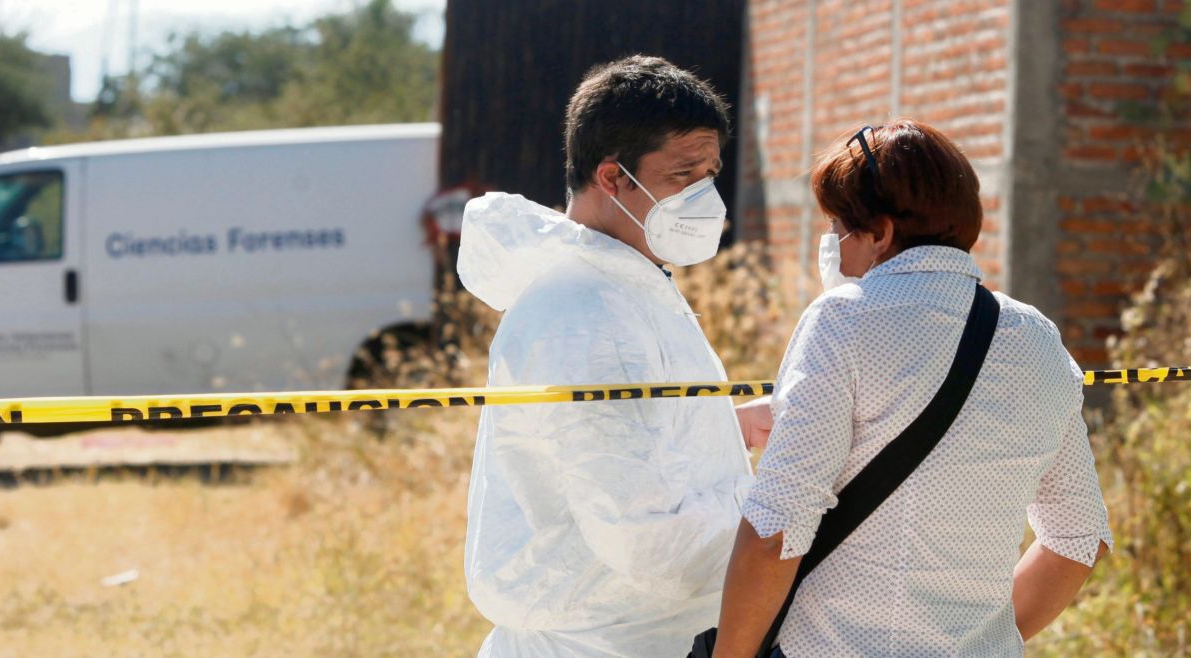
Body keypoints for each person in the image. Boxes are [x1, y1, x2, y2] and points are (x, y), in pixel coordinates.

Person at [713, 120, 1113, 657]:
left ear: (879, 233)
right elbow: (1080, 540)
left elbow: (775, 533)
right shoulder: (1036, 337)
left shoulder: (843, 319)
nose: (830, 244)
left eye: (836, 226)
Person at [457, 55, 757, 657]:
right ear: (613, 177)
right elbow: (644, 536)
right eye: (682, 175)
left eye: (710, 174)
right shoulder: (587, 315)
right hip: (602, 643)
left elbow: (618, 452)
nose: (703, 195)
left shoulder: (620, 286)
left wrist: (722, 427)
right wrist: (782, 519)